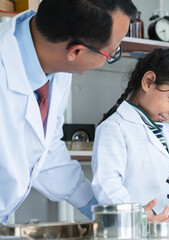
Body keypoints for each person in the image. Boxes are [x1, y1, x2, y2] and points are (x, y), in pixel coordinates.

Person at [0, 0, 136, 224]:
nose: (110, 58)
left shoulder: (55, 67)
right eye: (112, 53)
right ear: (76, 51)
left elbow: (45, 151)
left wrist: (110, 213)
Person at [91, 48, 169, 220]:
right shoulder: (115, 128)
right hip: (141, 229)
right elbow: (106, 184)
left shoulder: (168, 132)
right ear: (149, 82)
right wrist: (136, 217)